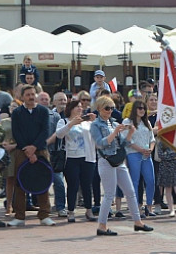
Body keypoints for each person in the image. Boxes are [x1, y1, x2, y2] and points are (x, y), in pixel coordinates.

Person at [90, 96, 152, 236]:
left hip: (118, 160)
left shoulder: (113, 122)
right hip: (106, 161)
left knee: (130, 192)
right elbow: (100, 143)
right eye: (107, 108)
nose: (110, 111)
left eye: (112, 108)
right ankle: (102, 225)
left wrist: (130, 133)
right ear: (99, 109)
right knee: (109, 194)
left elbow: (124, 143)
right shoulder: (96, 125)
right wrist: (115, 132)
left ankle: (137, 222)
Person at [7, 84, 54, 227]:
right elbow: (17, 133)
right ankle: (19, 216)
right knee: (20, 183)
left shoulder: (43, 111)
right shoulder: (17, 113)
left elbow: (45, 131)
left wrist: (34, 148)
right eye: (27, 95)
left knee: (42, 182)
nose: (31, 97)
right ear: (22, 97)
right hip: (22, 151)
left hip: (40, 150)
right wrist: (27, 150)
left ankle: (44, 215)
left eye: (33, 94)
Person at [53, 99, 97, 222]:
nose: (80, 108)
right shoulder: (63, 121)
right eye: (77, 106)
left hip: (87, 157)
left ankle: (89, 210)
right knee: (73, 185)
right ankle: (71, 211)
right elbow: (59, 134)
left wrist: (94, 121)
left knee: (87, 185)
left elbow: (95, 135)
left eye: (81, 107)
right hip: (71, 158)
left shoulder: (86, 123)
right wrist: (71, 124)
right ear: (70, 109)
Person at [123, 99, 156, 218]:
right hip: (133, 154)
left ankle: (149, 207)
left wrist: (150, 149)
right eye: (140, 108)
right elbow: (126, 140)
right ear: (134, 109)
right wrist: (140, 149)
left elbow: (152, 139)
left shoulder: (146, 122)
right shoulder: (127, 121)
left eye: (144, 108)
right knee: (135, 181)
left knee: (151, 180)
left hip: (146, 155)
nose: (142, 110)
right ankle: (136, 208)